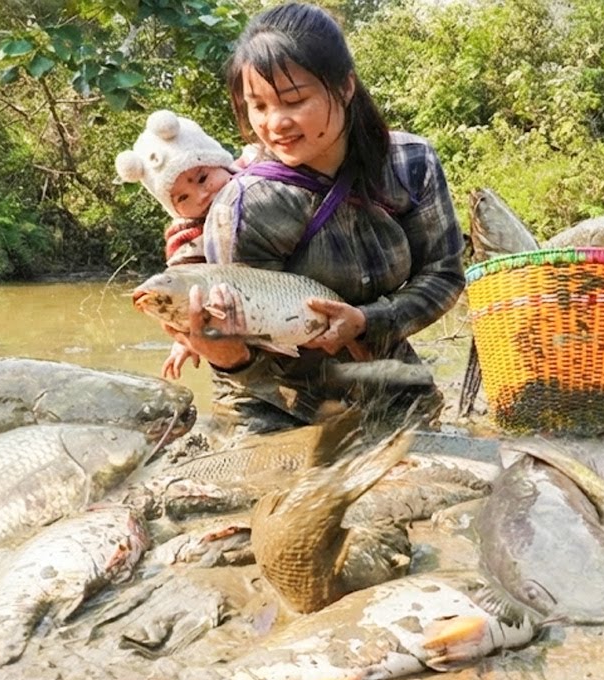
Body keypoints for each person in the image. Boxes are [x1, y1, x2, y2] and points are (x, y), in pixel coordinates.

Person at [165, 2, 467, 434]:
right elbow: (253, 362)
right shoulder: (246, 206)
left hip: (389, 383)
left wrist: (366, 323)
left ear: (344, 87)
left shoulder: (409, 163)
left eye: (294, 100)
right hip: (274, 405)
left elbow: (444, 275)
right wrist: (223, 350)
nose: (276, 123)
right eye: (259, 106)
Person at [115, 109, 239, 378]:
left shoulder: (259, 185)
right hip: (234, 323)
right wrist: (183, 339)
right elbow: (184, 292)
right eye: (182, 198)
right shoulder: (187, 242)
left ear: (224, 164)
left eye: (203, 178)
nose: (201, 195)